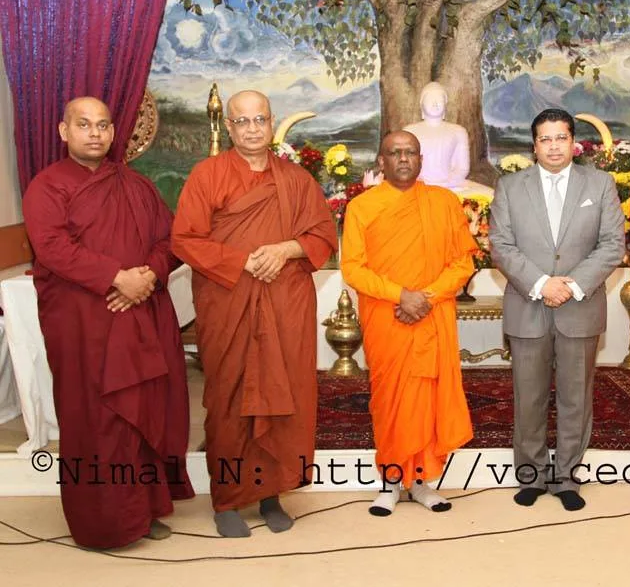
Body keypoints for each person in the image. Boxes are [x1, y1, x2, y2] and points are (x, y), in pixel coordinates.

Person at [22, 96, 194, 548]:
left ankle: (145, 508)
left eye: (103, 125)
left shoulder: (135, 184)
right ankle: (103, 523)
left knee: (143, 410)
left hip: (141, 311)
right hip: (86, 321)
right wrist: (115, 277)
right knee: (96, 418)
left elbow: (169, 238)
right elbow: (52, 248)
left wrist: (150, 275)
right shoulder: (47, 186)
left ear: (114, 133)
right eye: (84, 124)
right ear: (64, 132)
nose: (95, 133)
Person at [171, 90, 338, 536]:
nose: (251, 128)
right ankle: (227, 500)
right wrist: (240, 260)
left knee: (285, 397)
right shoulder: (208, 175)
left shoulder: (297, 180)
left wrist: (287, 249)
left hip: (285, 305)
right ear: (229, 127)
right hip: (230, 302)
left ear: (271, 122)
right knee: (229, 400)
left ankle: (271, 494)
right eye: (241, 121)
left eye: (259, 119)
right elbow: (185, 239)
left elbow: (323, 233)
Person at [489, 108, 626, 511]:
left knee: (575, 397)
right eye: (545, 139)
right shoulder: (510, 187)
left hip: (579, 307)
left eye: (561, 138)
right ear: (534, 146)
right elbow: (501, 244)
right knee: (528, 396)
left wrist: (572, 286)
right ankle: (530, 475)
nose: (553, 146)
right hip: (527, 304)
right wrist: (540, 284)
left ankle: (567, 478)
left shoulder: (599, 184)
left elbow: (612, 245)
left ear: (573, 142)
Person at [340, 130, 478, 516]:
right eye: (394, 153)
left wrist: (426, 297)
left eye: (410, 152)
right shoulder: (362, 208)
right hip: (388, 316)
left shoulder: (444, 202)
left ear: (421, 160)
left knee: (427, 398)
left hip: (432, 313)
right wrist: (401, 295)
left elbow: (462, 264)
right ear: (380, 161)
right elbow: (352, 268)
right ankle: (389, 480)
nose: (403, 159)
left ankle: (421, 482)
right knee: (390, 400)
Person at [403, 82, 494, 197]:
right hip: (417, 185)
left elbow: (462, 168)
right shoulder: (409, 131)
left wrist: (447, 182)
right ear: (421, 104)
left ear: (446, 105)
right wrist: (420, 181)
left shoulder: (458, 131)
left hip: (451, 186)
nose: (435, 103)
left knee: (489, 194)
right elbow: (405, 165)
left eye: (439, 99)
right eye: (430, 99)